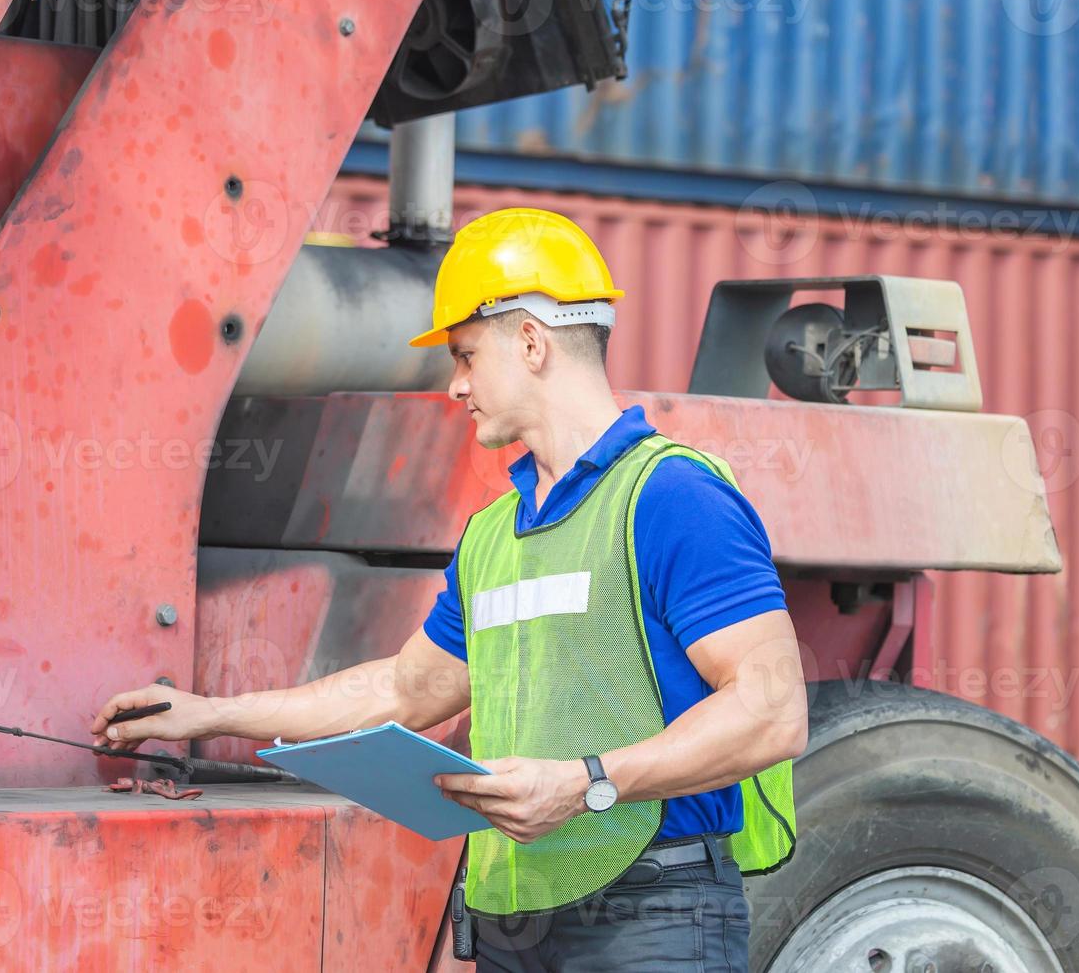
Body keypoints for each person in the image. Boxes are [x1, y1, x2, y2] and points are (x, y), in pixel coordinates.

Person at [91, 207, 808, 971]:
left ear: (531, 341)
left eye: (465, 355)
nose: (454, 385)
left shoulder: (669, 496)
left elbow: (772, 713)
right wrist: (208, 714)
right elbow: (404, 689)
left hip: (649, 916)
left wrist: (585, 784)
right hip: (513, 914)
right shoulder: (494, 533)